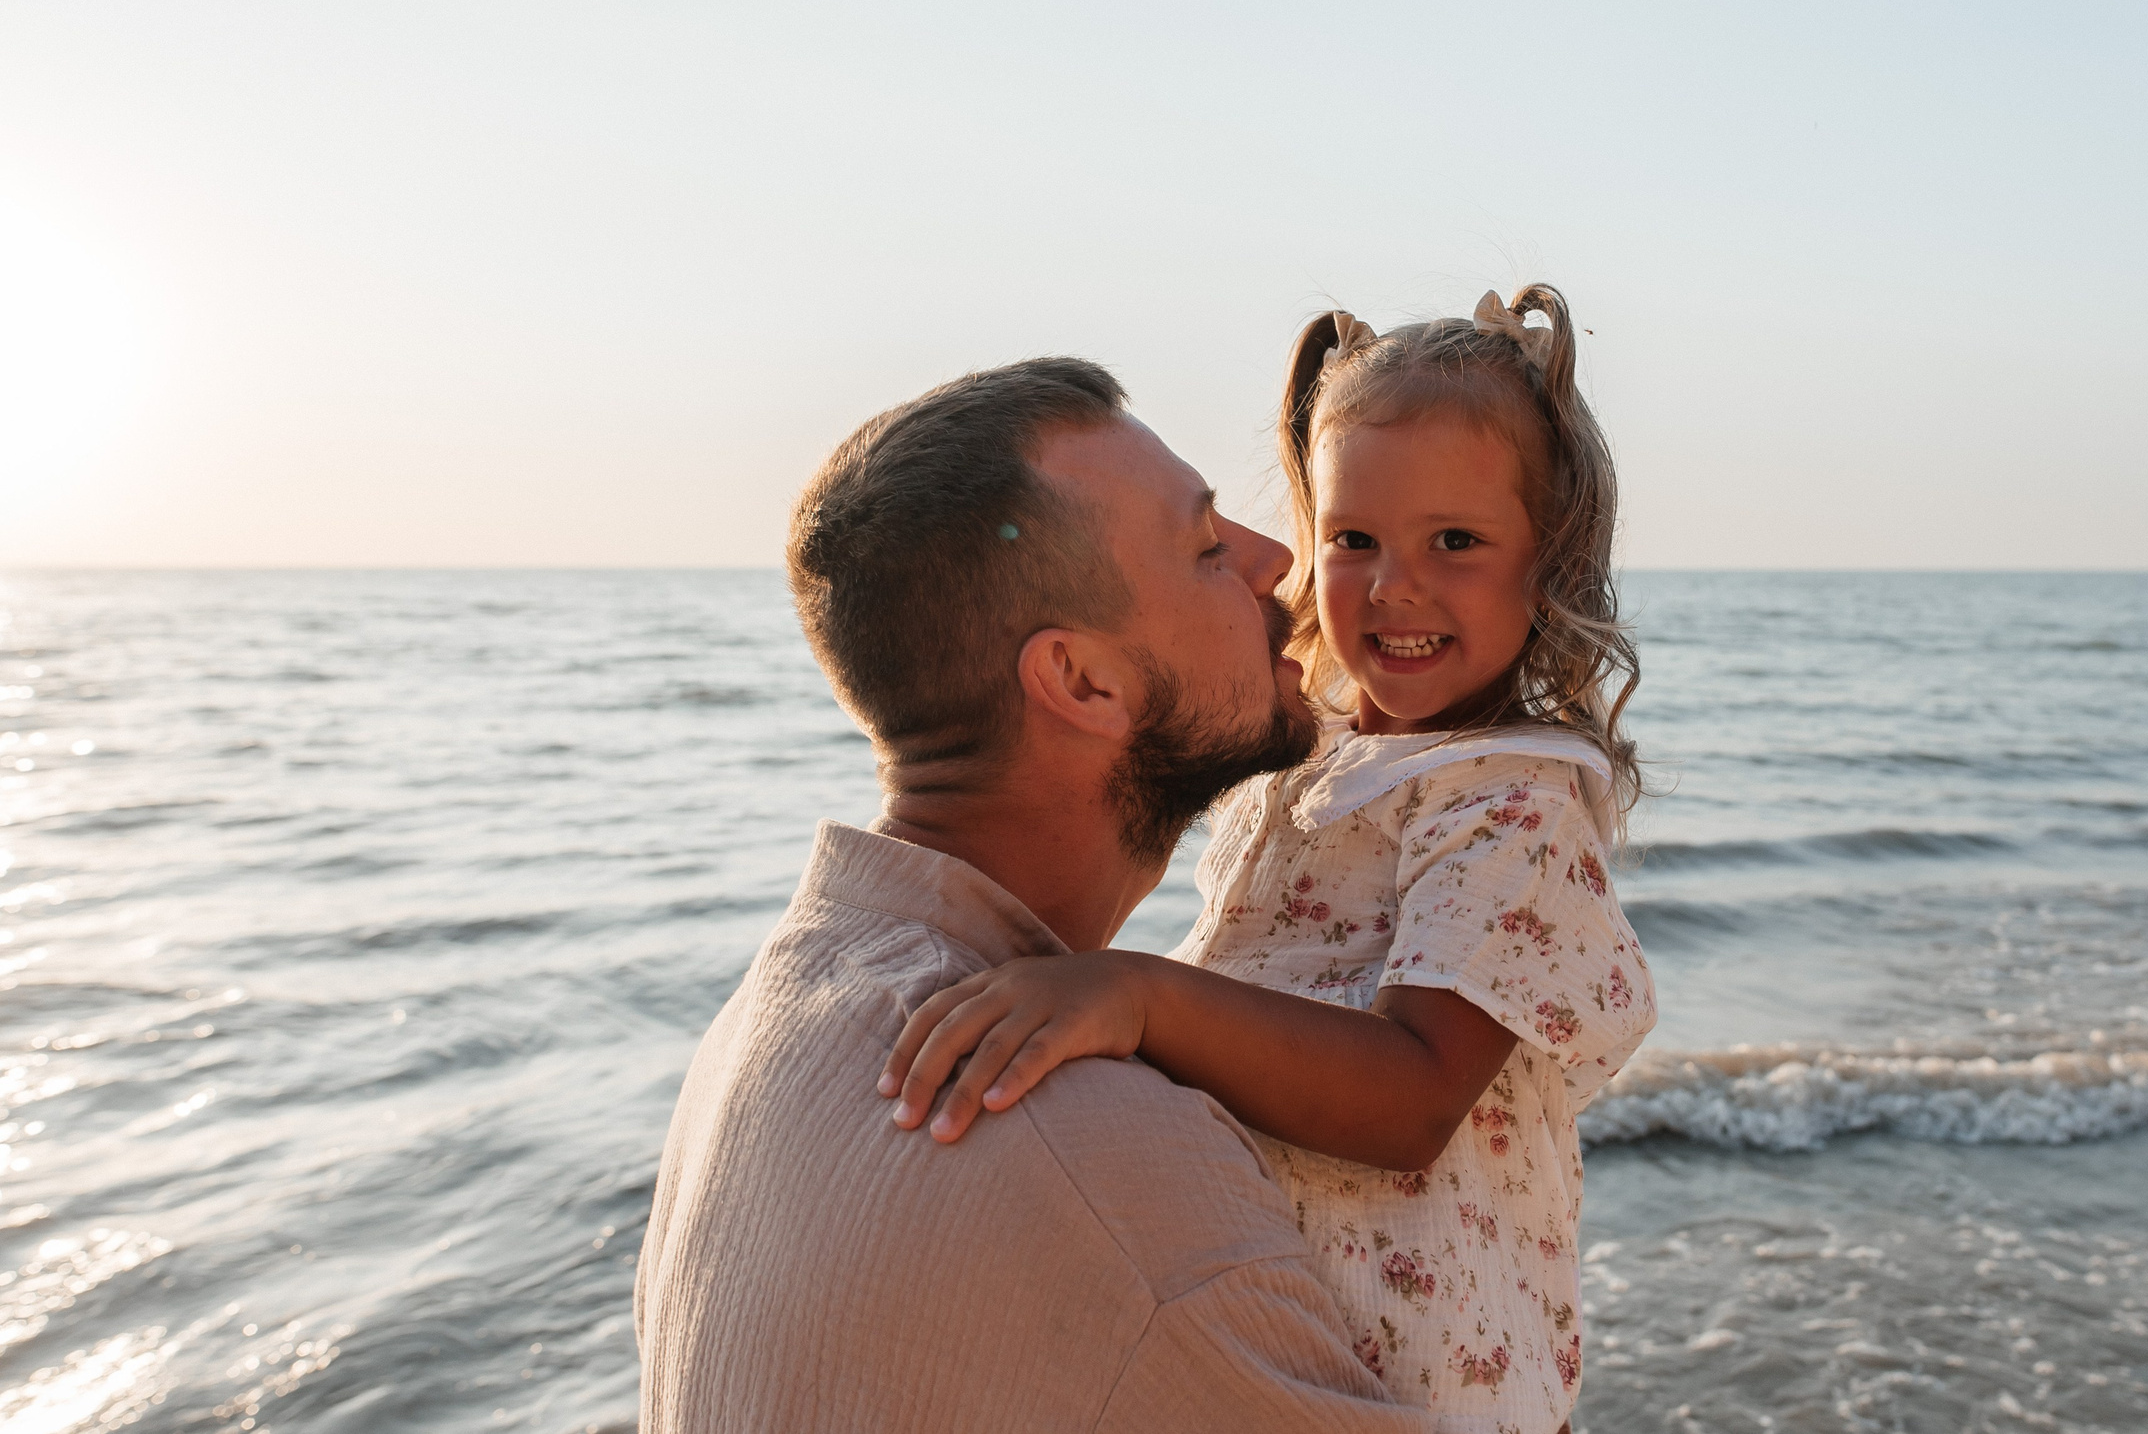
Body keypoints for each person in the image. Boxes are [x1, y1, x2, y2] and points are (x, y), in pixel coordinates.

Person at [884, 287, 1658, 1433]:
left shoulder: (1511, 799)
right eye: (1353, 539)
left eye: (1455, 540)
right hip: (1275, 1325)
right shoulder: (1327, 760)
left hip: (1422, 1375)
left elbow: (1409, 1094)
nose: (1393, 583)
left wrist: (1136, 993)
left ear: (1548, 566)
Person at [633, 357, 1429, 1432]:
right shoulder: (1093, 1153)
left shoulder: (769, 1017)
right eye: (1204, 549)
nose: (1276, 560)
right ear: (1084, 681)